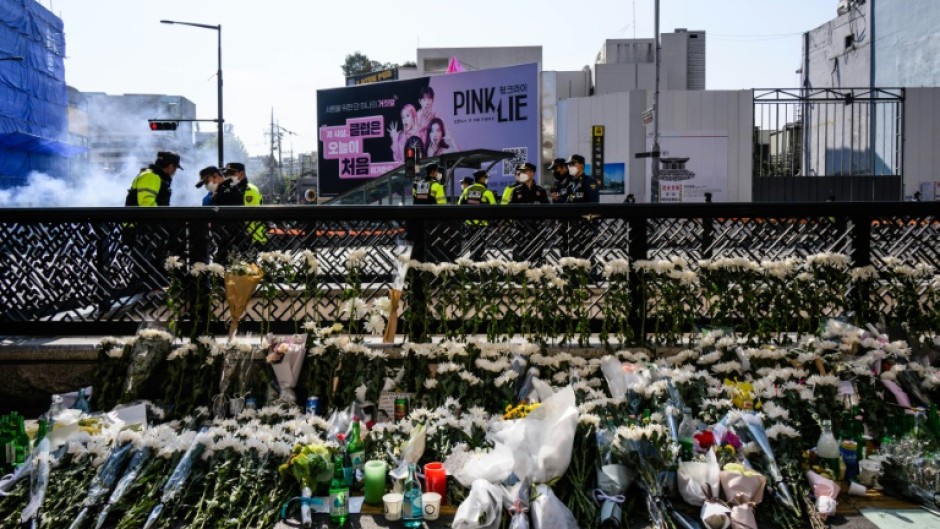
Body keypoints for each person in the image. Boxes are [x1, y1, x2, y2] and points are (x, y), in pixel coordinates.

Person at [508, 163, 549, 263]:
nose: (521, 173)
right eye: (521, 172)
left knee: (536, 256)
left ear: (532, 173)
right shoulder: (516, 191)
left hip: (536, 228)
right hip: (520, 229)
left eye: (524, 171)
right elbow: (510, 209)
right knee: (519, 257)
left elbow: (547, 208)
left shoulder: (540, 191)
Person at [458, 170, 497, 260]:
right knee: (481, 247)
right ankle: (479, 265)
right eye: (486, 178)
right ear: (482, 178)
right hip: (482, 225)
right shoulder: (487, 192)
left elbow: (459, 204)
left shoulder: (467, 190)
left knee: (472, 246)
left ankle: (473, 263)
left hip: (469, 224)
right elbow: (495, 208)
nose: (487, 180)